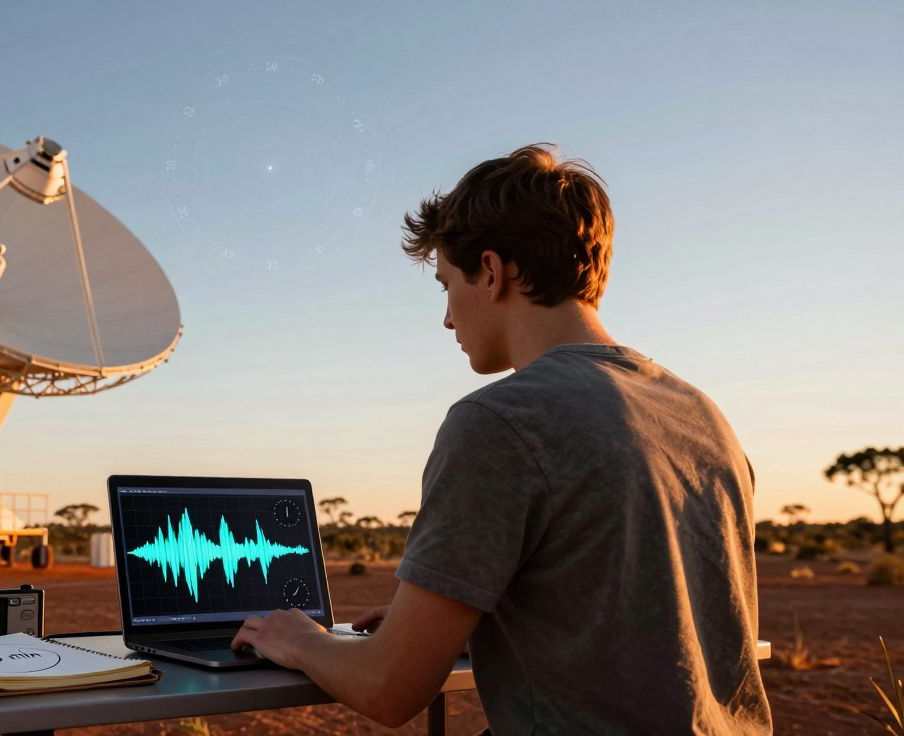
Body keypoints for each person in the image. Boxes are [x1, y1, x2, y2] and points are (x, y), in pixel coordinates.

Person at [231, 144, 772, 734]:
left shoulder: (499, 421)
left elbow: (386, 690)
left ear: (491, 271)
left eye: (445, 286)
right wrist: (458, 616)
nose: (446, 318)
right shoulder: (701, 414)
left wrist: (300, 640)